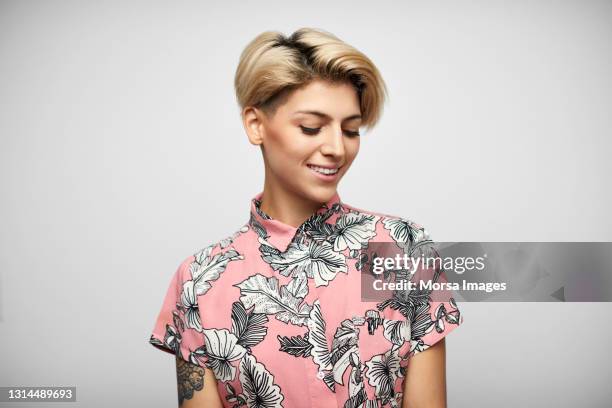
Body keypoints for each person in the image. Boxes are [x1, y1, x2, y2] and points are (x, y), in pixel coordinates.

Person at [149, 27, 464, 408]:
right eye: (311, 127)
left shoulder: (403, 248)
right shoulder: (199, 280)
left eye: (351, 130)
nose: (336, 148)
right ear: (256, 124)